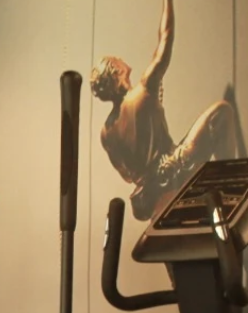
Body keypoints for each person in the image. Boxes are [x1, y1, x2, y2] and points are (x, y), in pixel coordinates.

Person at [91, 0, 237, 221]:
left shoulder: (106, 133)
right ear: (117, 72)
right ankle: (228, 185)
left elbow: (127, 177)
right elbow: (165, 38)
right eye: (116, 60)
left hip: (149, 194)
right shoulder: (143, 91)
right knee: (221, 112)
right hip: (175, 170)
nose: (120, 59)